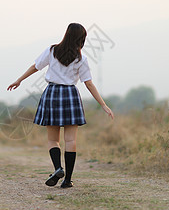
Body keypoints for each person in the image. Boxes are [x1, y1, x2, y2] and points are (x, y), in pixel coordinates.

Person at [7, 23, 114, 188]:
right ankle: (67, 180)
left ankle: (58, 168)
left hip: (52, 94)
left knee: (52, 140)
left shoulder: (52, 50)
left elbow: (35, 67)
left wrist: (19, 80)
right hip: (70, 95)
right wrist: (104, 105)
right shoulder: (81, 59)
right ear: (81, 39)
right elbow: (89, 84)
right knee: (70, 140)